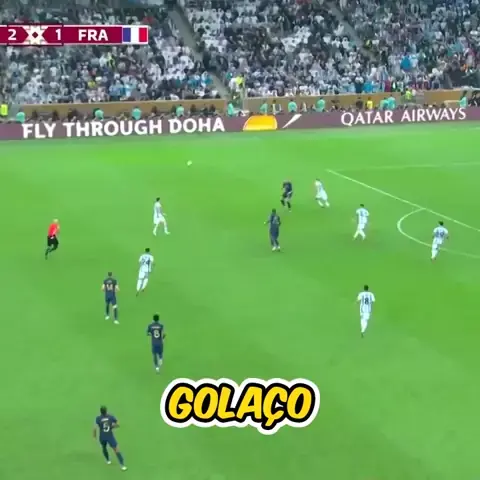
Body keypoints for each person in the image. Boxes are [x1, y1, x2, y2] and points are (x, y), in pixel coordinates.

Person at [93, 406, 127, 470]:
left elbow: (95, 428)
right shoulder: (110, 417)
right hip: (109, 436)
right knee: (116, 450)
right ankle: (122, 465)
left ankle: (108, 460)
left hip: (102, 437)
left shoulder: (98, 418)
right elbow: (118, 424)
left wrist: (94, 436)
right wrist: (112, 426)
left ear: (100, 412)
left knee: (104, 447)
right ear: (106, 411)